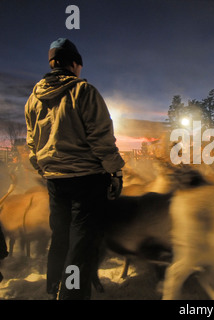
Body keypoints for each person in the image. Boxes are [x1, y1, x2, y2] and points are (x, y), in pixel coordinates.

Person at [24, 38, 125, 300]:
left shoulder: (33, 99)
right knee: (81, 241)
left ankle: (54, 285)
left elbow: (32, 142)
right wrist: (115, 171)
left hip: (55, 180)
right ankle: (71, 295)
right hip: (86, 179)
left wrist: (43, 167)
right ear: (75, 64)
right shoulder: (84, 91)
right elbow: (101, 138)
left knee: (60, 234)